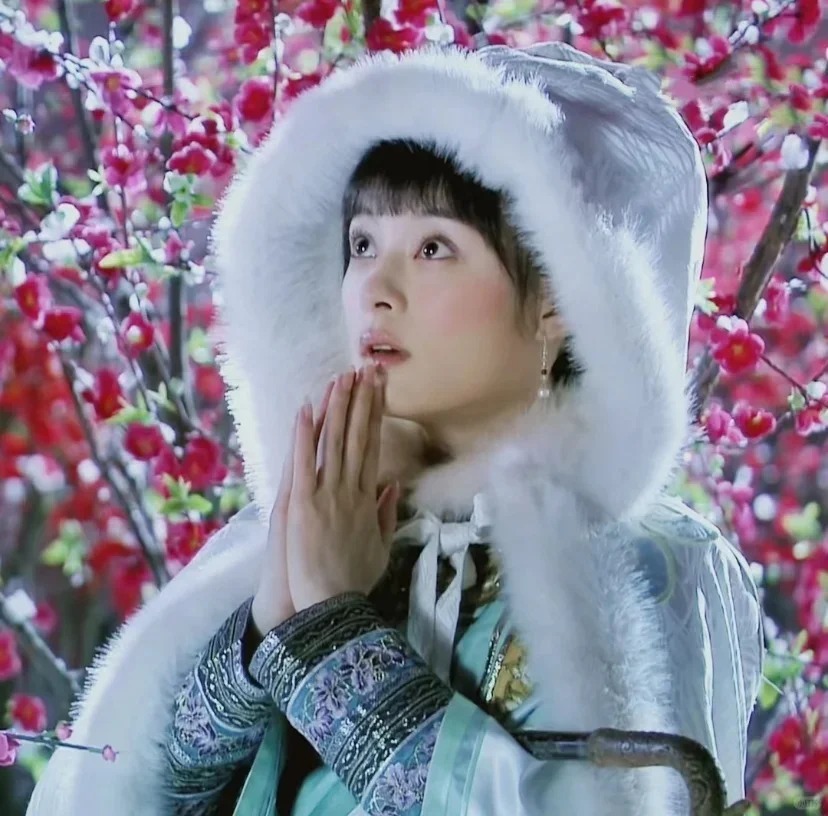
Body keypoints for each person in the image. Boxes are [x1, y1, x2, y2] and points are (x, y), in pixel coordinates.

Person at [26, 41, 765, 816]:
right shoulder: (301, 534)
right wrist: (271, 621)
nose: (374, 289)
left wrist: (329, 631)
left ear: (559, 299)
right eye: (362, 244)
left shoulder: (654, 566)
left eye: (433, 248)